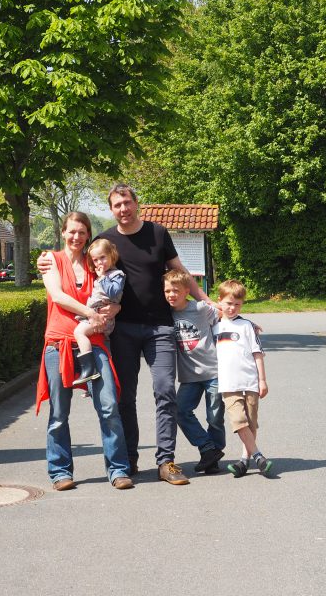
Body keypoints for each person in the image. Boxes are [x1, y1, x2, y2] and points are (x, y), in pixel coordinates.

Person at [38, 183, 210, 485]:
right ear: (111, 209)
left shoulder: (157, 233)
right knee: (122, 398)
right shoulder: (104, 242)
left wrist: (204, 301)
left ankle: (166, 462)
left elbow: (178, 269)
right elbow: (78, 273)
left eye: (127, 203)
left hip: (159, 326)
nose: (123, 209)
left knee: (165, 391)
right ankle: (127, 460)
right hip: (122, 332)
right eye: (117, 205)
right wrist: (45, 259)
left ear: (136, 203)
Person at [34, 211, 133, 491]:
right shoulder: (51, 260)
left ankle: (118, 469)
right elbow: (59, 296)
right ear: (63, 233)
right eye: (71, 231)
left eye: (81, 232)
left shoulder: (95, 264)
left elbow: (113, 293)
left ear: (88, 235)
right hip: (59, 342)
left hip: (95, 340)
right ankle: (60, 472)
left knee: (109, 406)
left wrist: (117, 307)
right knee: (58, 413)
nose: (76, 236)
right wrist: (92, 312)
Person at [164, 269, 226, 474]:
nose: (171, 295)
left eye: (175, 290)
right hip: (189, 376)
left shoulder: (199, 308)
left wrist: (249, 326)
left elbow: (224, 317)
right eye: (167, 291)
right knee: (180, 411)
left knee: (214, 417)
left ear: (187, 291)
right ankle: (208, 449)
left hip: (213, 371)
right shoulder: (167, 314)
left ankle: (213, 457)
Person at [214, 279, 273, 477]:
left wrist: (262, 380)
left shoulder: (247, 326)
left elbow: (257, 354)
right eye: (228, 303)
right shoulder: (214, 326)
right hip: (228, 385)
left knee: (250, 422)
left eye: (237, 304)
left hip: (250, 382)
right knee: (238, 421)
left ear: (242, 304)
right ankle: (258, 455)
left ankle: (244, 460)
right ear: (220, 301)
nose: (232, 308)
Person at [72, 238, 125, 385]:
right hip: (95, 314)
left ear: (112, 255)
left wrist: (102, 277)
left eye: (102, 257)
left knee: (79, 333)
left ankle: (89, 370)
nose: (99, 263)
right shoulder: (103, 275)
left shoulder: (117, 275)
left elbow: (114, 293)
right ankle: (91, 374)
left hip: (104, 318)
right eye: (95, 260)